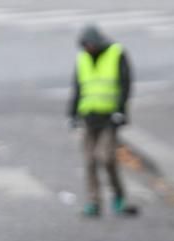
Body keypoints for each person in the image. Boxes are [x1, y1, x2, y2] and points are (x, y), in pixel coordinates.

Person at [67, 25, 136, 217]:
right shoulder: (82, 59)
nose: (88, 49)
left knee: (106, 159)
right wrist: (72, 114)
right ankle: (93, 201)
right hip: (89, 116)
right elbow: (78, 88)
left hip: (109, 117)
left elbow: (125, 84)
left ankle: (118, 196)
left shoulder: (116, 53)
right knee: (90, 161)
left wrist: (121, 110)